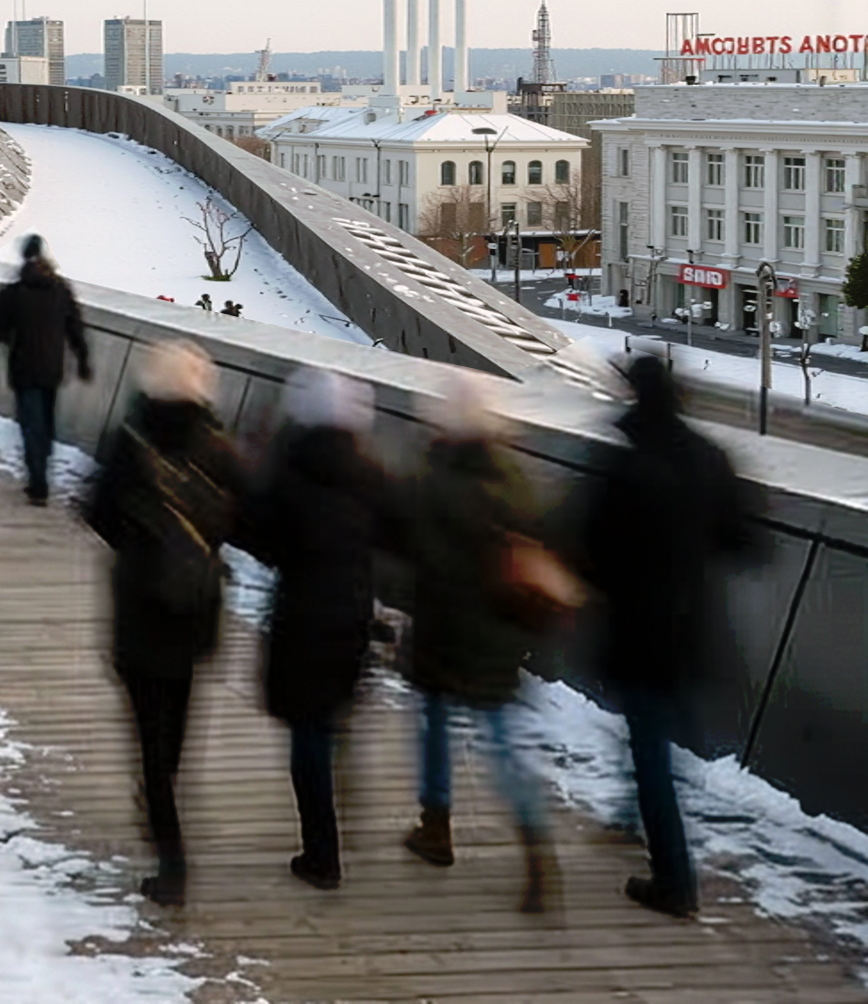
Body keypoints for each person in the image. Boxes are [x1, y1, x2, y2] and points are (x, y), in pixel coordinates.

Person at [575, 354, 753, 919]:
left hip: (638, 632)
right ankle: (642, 823)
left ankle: (674, 879)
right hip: (691, 627)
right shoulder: (709, 457)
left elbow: (590, 544)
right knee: (665, 742)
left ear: (635, 396)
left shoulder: (628, 463)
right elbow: (742, 540)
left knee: (650, 750)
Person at [380, 374, 557, 913]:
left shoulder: (430, 477)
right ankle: (534, 845)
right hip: (495, 634)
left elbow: (401, 540)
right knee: (502, 741)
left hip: (440, 628)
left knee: (433, 724)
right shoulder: (513, 478)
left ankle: (436, 829)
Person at [84, 341, 241, 906]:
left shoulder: (130, 442)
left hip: (140, 609)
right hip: (195, 611)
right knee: (175, 725)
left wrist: (140, 549)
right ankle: (164, 801)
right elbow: (237, 517)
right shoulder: (219, 446)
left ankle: (171, 858)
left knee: (147, 732)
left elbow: (95, 511)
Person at [237, 368, 388, 891]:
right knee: (329, 717)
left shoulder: (290, 470)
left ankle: (322, 854)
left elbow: (260, 537)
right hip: (352, 616)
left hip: (301, 618)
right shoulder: (372, 473)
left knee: (308, 734)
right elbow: (396, 532)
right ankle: (339, 798)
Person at [0, 233, 94, 504]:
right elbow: (75, 329)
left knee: (31, 425)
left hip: (23, 369)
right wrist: (83, 360)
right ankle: (42, 467)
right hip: (52, 368)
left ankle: (38, 481)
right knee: (46, 424)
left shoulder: (13, 293)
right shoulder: (61, 289)